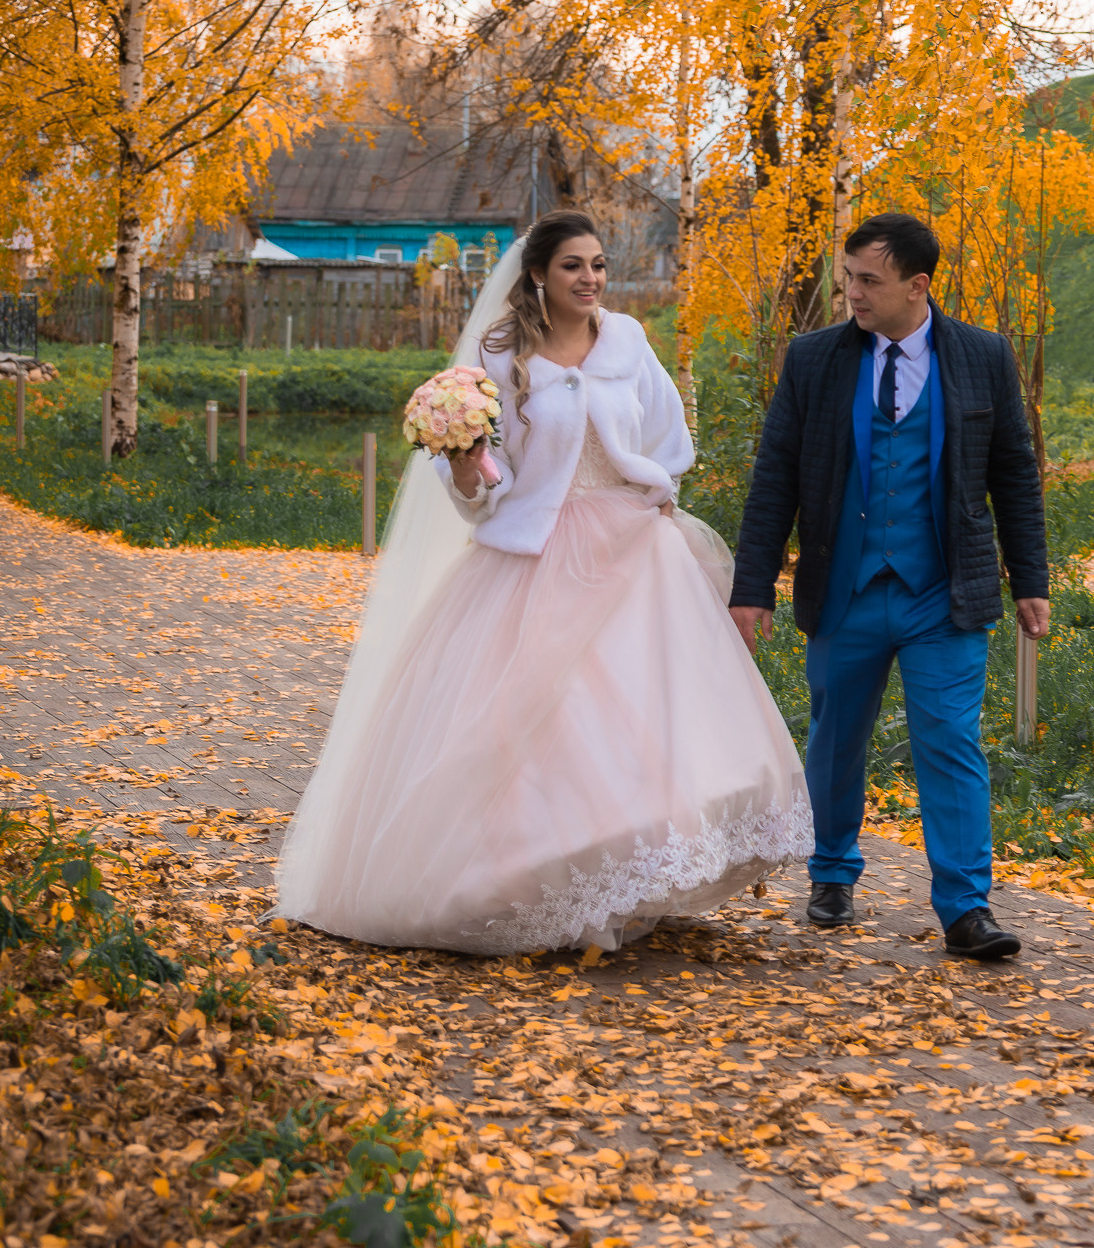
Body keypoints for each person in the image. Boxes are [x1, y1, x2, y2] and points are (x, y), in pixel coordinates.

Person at [275, 211, 812, 954]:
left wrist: (649, 486)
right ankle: (527, 877)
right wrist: (468, 468)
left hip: (634, 548)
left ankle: (634, 872)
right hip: (535, 551)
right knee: (548, 721)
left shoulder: (627, 340)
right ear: (538, 275)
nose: (590, 279)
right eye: (573, 267)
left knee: (647, 709)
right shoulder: (499, 353)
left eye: (597, 265)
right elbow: (479, 477)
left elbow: (667, 434)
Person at [728, 212, 1049, 961]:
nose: (853, 294)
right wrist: (753, 586)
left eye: (868, 280)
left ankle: (967, 907)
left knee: (950, 740)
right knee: (837, 735)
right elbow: (775, 474)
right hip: (846, 584)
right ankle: (833, 868)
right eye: (848, 278)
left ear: (918, 284)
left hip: (944, 591)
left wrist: (1029, 575)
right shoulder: (814, 359)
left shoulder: (982, 356)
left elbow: (1014, 472)